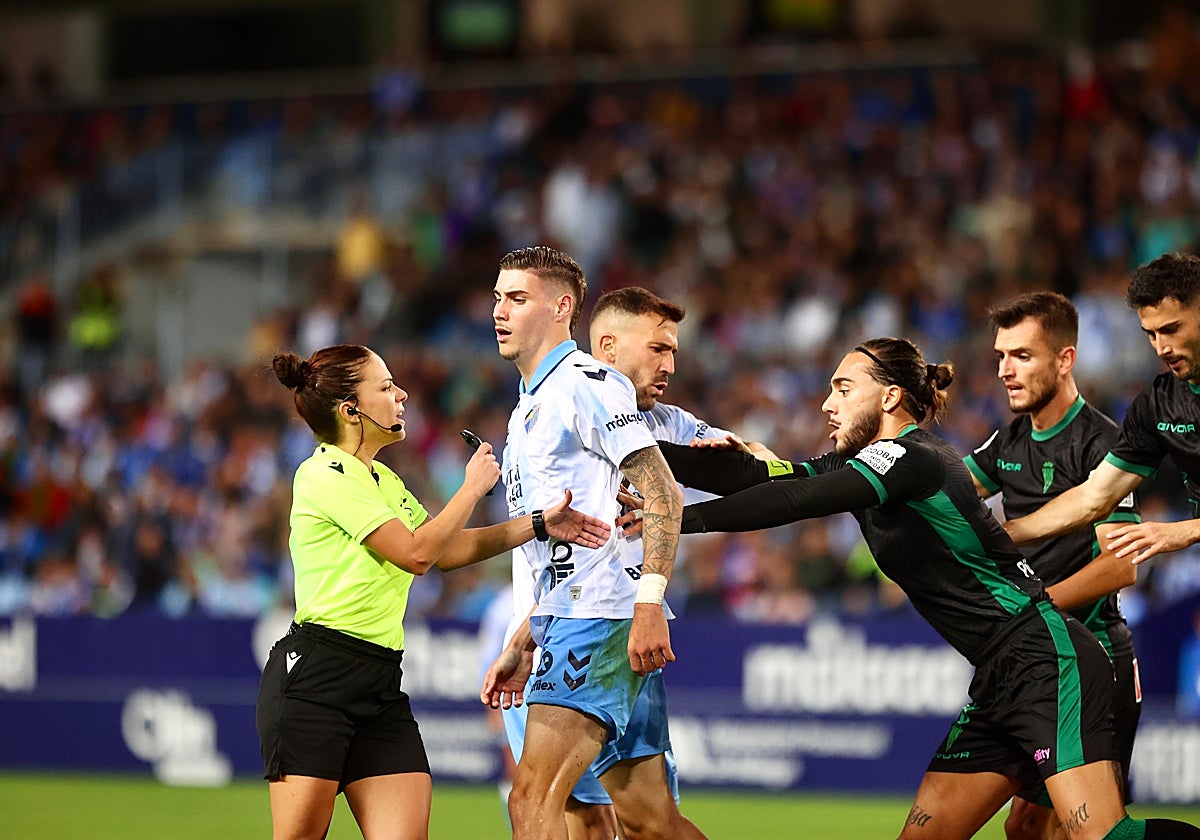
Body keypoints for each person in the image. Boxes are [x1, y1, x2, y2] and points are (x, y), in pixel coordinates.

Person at [636, 337, 1200, 840]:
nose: (827, 404)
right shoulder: (860, 466)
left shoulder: (913, 457)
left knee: (1104, 836)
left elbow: (794, 501)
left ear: (888, 399)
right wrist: (637, 455)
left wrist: (680, 519)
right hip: (1000, 674)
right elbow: (762, 478)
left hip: (1046, 659)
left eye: (843, 388)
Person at [256, 343, 610, 840]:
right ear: (349, 410)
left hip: (378, 684)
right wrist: (470, 489)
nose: (401, 395)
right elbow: (417, 554)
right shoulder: (322, 473)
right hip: (316, 680)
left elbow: (446, 550)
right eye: (385, 387)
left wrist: (539, 524)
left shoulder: (380, 477)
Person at [481, 247, 707, 840]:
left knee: (533, 800)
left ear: (562, 307)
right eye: (498, 297)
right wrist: (527, 632)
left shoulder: (587, 386)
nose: (499, 311)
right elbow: (574, 544)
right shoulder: (530, 404)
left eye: (517, 298)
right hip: (574, 613)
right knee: (649, 824)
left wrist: (649, 605)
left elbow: (662, 493)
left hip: (597, 619)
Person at [965, 292, 1141, 840]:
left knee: (1070, 830)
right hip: (1035, 660)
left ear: (1065, 360)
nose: (1004, 371)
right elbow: (950, 494)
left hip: (1094, 658)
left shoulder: (1103, 444)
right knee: (1025, 827)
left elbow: (1121, 566)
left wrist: (1034, 609)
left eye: (1021, 355)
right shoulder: (1010, 439)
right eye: (1000, 356)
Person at [1006, 253, 1200, 571]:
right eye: (1151, 334)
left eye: (1171, 329)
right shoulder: (1158, 403)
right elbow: (1094, 497)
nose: (1161, 348)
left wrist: (1187, 530)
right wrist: (1001, 534)